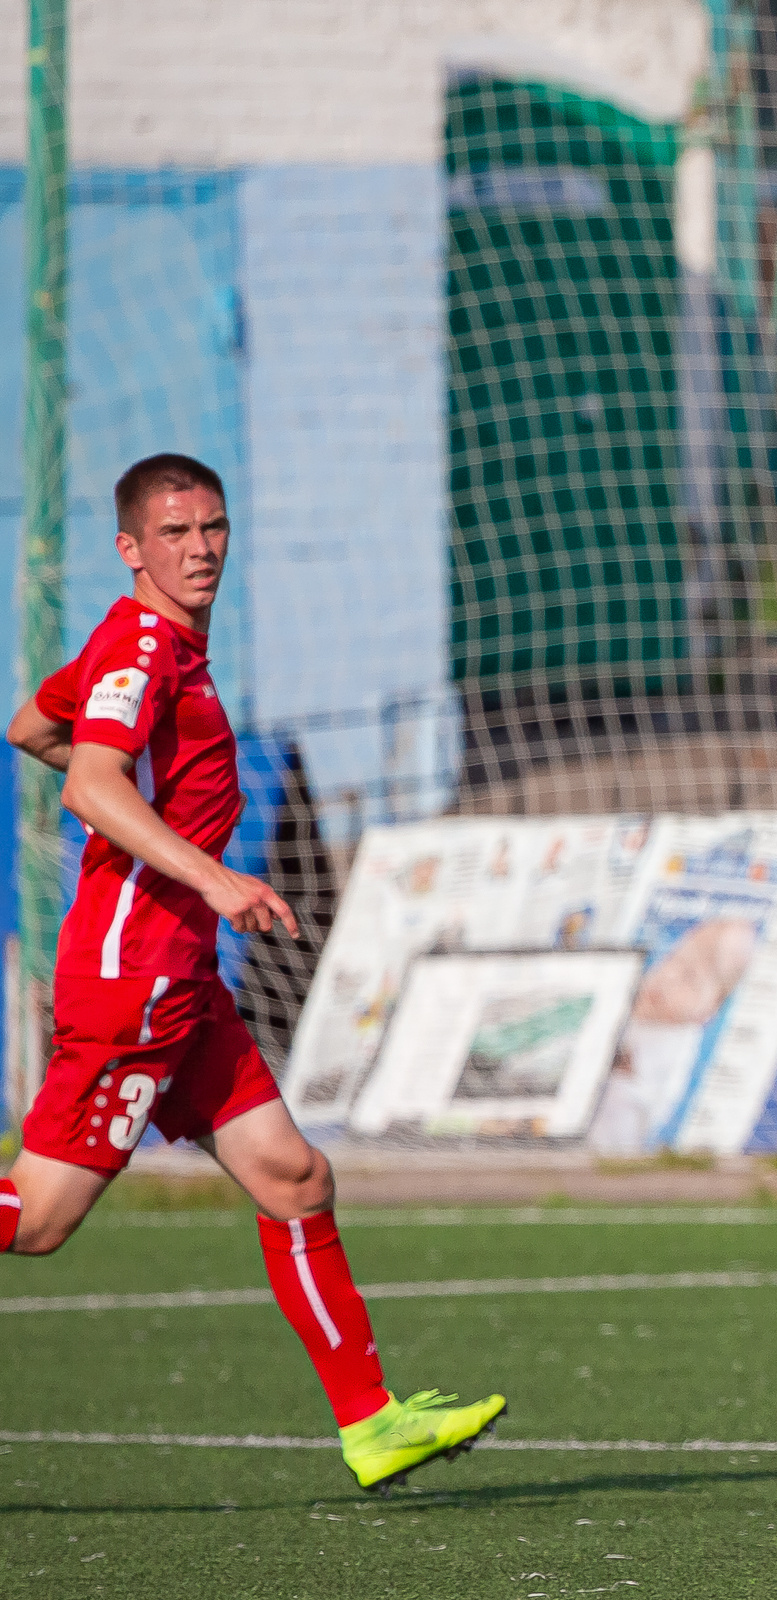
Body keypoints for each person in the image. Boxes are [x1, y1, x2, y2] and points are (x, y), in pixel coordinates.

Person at [2, 453, 506, 1493]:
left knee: (293, 1174)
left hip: (184, 981)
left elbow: (34, 727)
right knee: (39, 1219)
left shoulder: (147, 643)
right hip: (134, 971)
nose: (200, 550)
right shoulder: (143, 643)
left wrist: (168, 831)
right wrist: (213, 876)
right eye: (175, 534)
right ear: (130, 549)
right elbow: (92, 782)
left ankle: (372, 1424)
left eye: (213, 529)